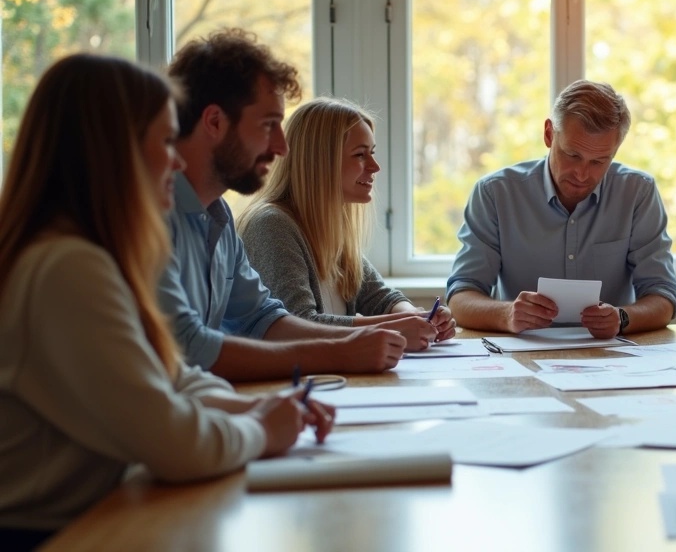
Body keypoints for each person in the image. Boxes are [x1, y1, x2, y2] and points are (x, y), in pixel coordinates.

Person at [0, 54, 332, 550]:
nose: (177, 160)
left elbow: (171, 375)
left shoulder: (88, 252)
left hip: (91, 517)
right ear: (112, 152)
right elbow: (175, 445)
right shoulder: (66, 267)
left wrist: (256, 407)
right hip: (50, 535)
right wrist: (263, 430)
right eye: (163, 140)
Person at [162, 28, 433, 382]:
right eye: (268, 125)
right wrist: (346, 349)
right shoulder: (151, 215)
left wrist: (368, 337)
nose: (281, 147)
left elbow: (264, 319)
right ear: (214, 121)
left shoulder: (218, 216)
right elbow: (186, 349)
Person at [447, 80, 676, 338]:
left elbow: (663, 296)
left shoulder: (637, 192)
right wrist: (507, 314)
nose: (582, 174)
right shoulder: (495, 193)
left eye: (599, 161)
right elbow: (461, 297)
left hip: (611, 358)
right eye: (572, 155)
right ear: (549, 134)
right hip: (520, 357)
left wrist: (622, 319)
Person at [238, 97, 456, 340]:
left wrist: (416, 316)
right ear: (321, 162)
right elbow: (299, 324)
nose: (375, 166)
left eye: (371, 153)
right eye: (360, 155)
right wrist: (393, 327)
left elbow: (378, 297)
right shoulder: (271, 225)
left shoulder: (329, 223)